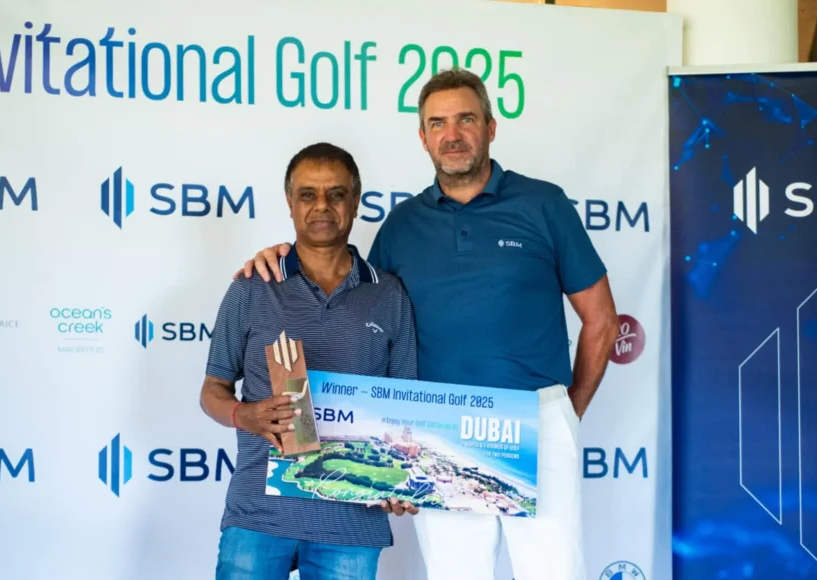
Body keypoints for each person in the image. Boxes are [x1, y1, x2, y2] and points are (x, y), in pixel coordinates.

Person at [235, 69, 619, 580]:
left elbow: (602, 320)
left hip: (535, 419)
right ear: (422, 137)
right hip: (442, 430)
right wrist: (283, 256)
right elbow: (353, 299)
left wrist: (564, 414)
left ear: (490, 127)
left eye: (466, 120)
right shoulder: (401, 226)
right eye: (438, 123)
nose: (452, 134)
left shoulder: (544, 204)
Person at [200, 142, 420, 580]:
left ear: (355, 202)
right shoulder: (251, 287)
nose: (322, 206)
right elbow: (212, 391)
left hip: (351, 523)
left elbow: (405, 412)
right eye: (308, 194)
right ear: (290, 203)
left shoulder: (390, 295)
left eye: (336, 194)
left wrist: (402, 477)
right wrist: (246, 415)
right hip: (259, 515)